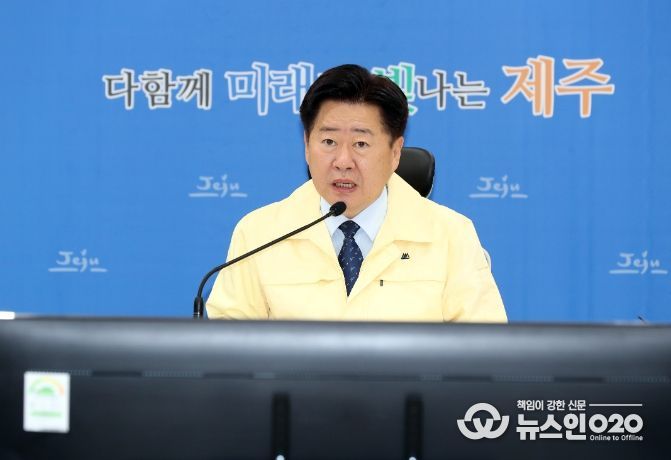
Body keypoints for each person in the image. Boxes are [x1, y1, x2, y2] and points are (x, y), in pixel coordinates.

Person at [206, 64, 507, 322]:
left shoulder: (451, 235)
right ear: (306, 145)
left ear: (395, 153)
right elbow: (227, 351)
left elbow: (485, 351)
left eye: (361, 144)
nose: (343, 161)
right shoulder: (259, 235)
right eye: (328, 142)